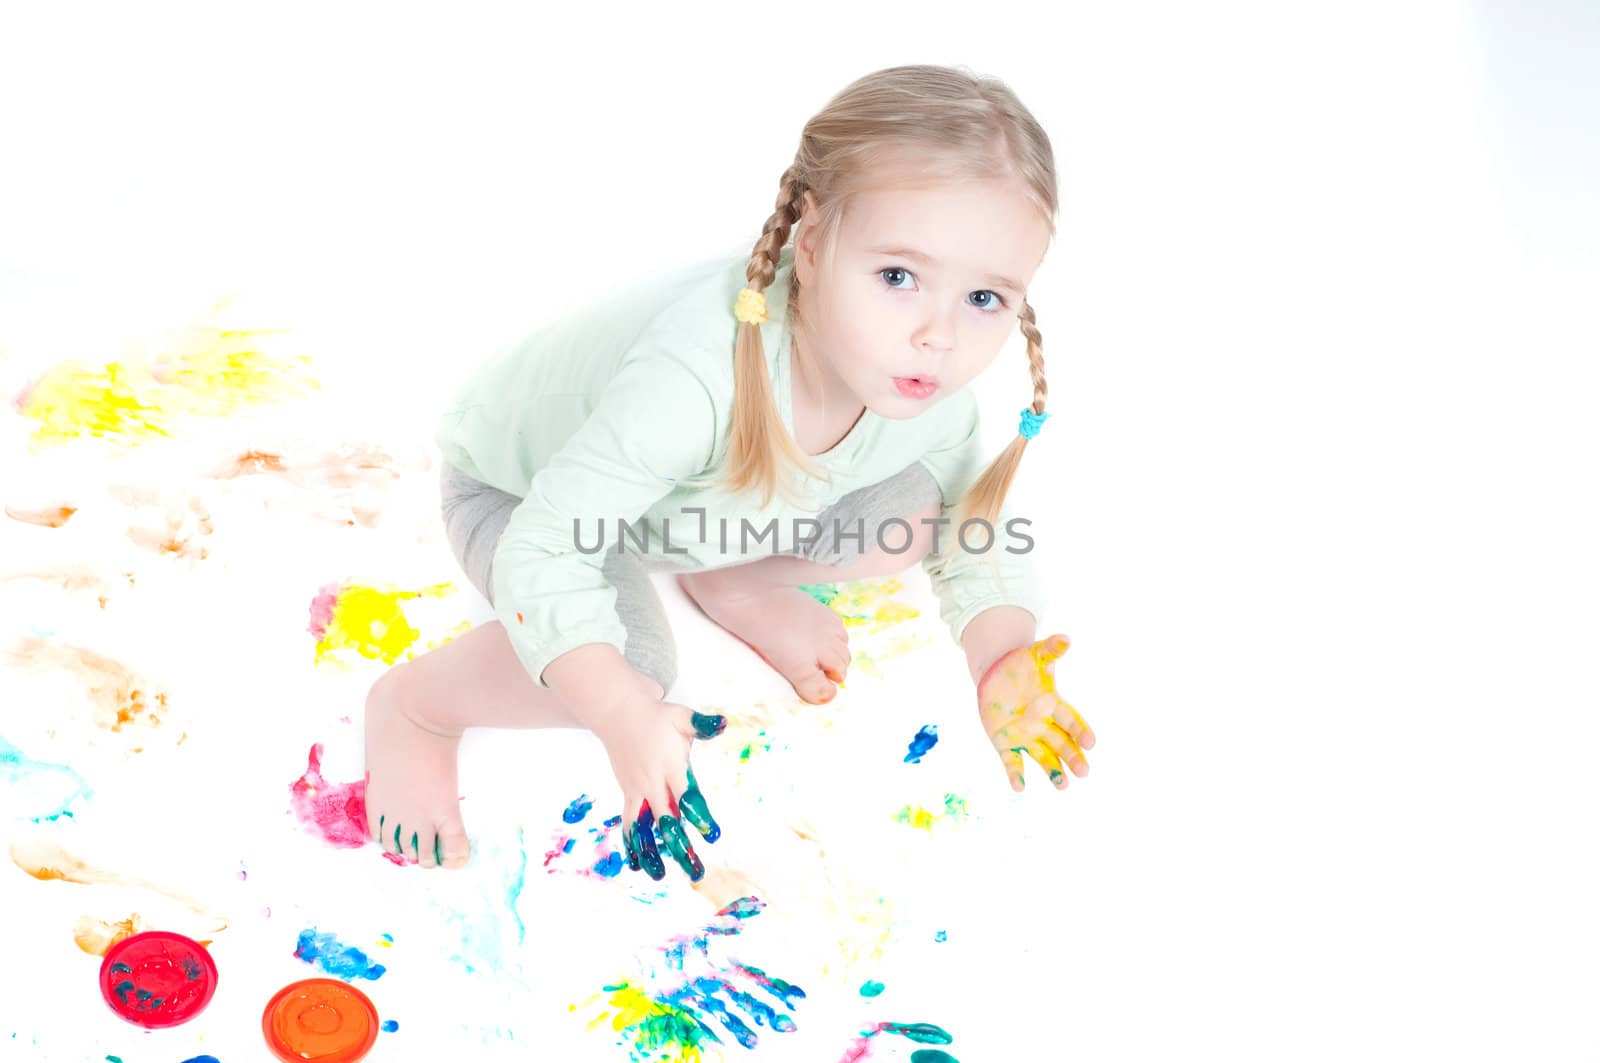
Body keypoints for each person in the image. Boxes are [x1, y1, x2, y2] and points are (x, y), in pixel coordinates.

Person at [362, 63, 1097, 880]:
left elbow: (972, 526)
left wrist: (1001, 653)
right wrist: (621, 711)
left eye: (985, 299)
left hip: (691, 507)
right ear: (812, 244)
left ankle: (734, 578)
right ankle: (417, 708)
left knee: (921, 512)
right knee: (631, 666)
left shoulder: (920, 388)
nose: (940, 335)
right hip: (523, 495)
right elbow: (545, 548)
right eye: (898, 277)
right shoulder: (694, 376)